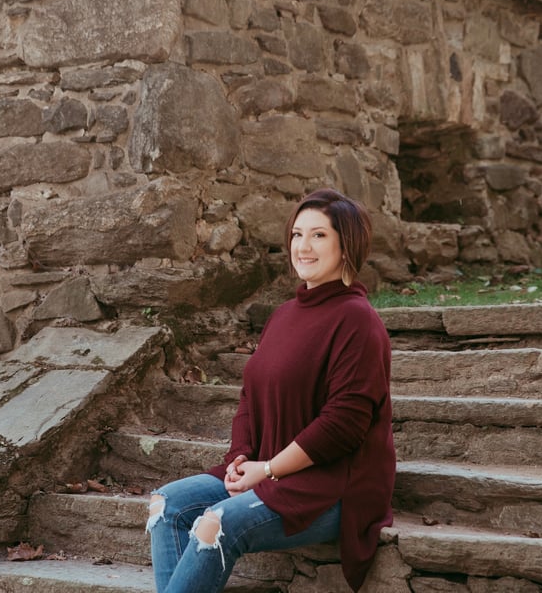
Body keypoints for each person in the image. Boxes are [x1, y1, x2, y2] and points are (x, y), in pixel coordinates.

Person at [146, 188, 395, 593]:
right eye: (297, 234)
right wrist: (241, 456)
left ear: (347, 244)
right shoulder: (283, 315)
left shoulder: (358, 321)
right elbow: (250, 395)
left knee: (216, 523)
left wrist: (269, 468)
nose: (303, 246)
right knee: (166, 505)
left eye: (319, 236)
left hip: (331, 487)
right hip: (266, 473)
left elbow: (343, 425)